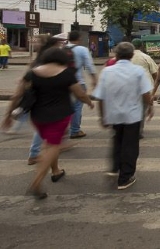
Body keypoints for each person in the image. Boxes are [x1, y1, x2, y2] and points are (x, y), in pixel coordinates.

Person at [2, 47, 94, 199]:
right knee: (52, 146)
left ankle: (56, 170)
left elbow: (18, 94)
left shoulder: (32, 73)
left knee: (49, 143)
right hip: (59, 116)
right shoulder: (67, 73)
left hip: (37, 117)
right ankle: (36, 182)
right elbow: (79, 93)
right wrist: (89, 101)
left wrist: (7, 116)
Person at [92, 42, 153, 190]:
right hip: (132, 115)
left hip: (114, 114)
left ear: (116, 55)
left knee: (117, 141)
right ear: (132, 55)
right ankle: (125, 177)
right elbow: (146, 94)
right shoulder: (138, 71)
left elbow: (100, 97)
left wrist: (103, 116)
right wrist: (150, 107)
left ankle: (114, 168)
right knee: (130, 146)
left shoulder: (107, 71)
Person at [65, 30, 98, 139]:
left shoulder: (62, 49)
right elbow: (89, 65)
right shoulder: (82, 50)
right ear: (79, 39)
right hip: (78, 82)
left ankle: (63, 129)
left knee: (64, 105)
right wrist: (94, 79)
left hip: (62, 82)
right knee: (77, 106)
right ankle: (75, 130)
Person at [131, 38, 158, 137]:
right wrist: (154, 86)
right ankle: (138, 132)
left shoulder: (126, 57)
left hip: (130, 88)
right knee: (142, 110)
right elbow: (155, 73)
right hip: (145, 89)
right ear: (141, 46)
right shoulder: (146, 57)